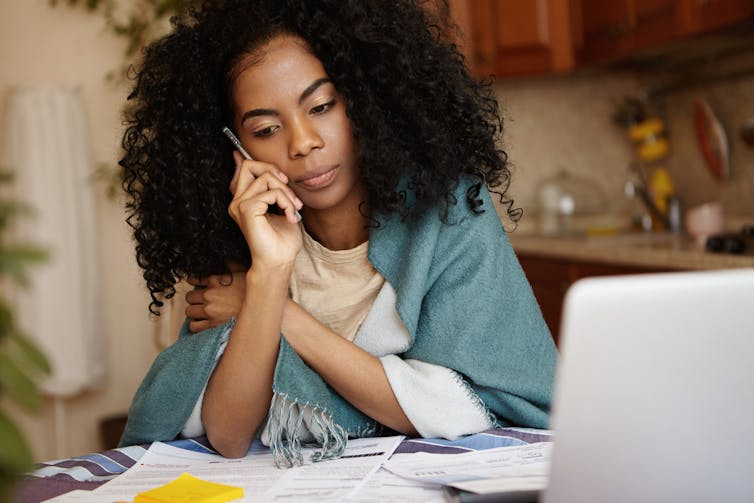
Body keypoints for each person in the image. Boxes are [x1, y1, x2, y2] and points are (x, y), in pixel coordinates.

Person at [118, 0, 558, 466]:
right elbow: (229, 434)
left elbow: (462, 406)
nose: (303, 142)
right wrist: (269, 271)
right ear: (235, 148)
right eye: (266, 129)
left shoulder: (446, 206)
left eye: (322, 106)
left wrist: (271, 311)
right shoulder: (243, 239)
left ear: (366, 99)